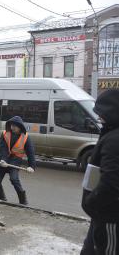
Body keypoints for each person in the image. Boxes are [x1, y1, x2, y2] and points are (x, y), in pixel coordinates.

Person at [81, 89, 119, 255]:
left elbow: (111, 182)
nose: (97, 117)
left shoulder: (114, 140)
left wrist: (92, 202)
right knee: (90, 249)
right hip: (102, 214)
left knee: (105, 250)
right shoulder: (111, 133)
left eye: (100, 112)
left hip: (109, 215)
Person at [0, 116, 36, 205]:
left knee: (14, 179)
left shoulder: (26, 137)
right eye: (11, 125)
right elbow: (3, 148)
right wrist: (3, 160)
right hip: (3, 159)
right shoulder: (5, 133)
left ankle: (23, 201)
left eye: (14, 126)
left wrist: (31, 166)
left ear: (20, 127)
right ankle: (2, 199)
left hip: (15, 160)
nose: (12, 128)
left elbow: (30, 152)